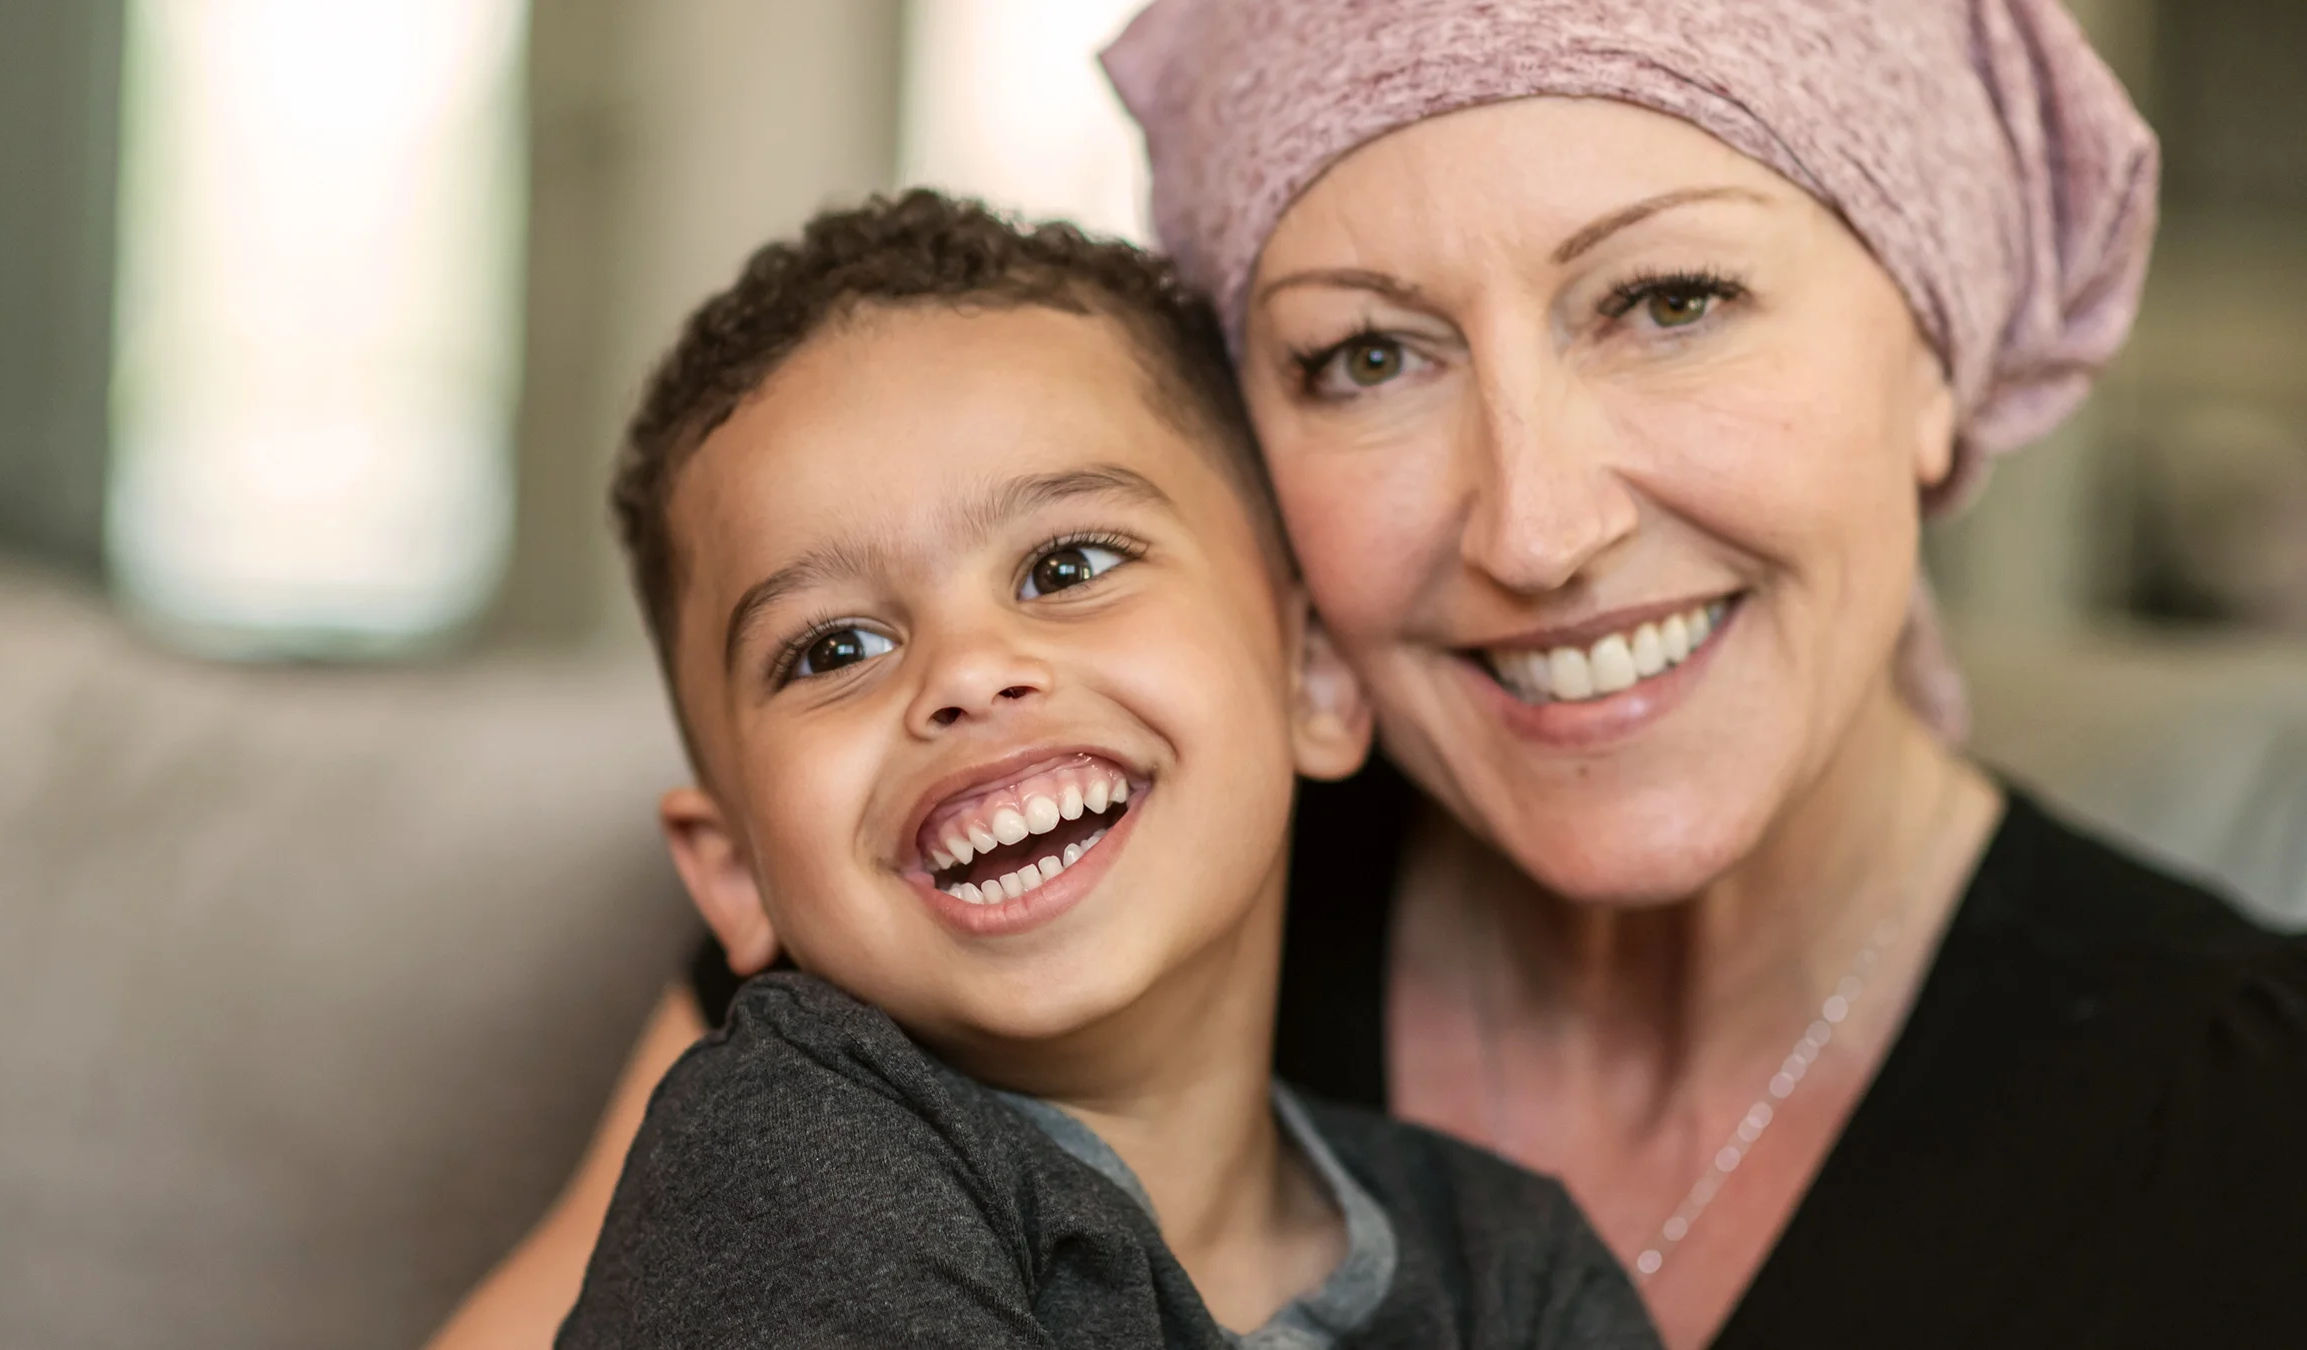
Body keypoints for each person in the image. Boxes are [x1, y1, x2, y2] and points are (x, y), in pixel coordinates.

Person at [427, 3, 2307, 1348]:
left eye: (1669, 302)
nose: (1539, 523)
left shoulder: (2240, 1145)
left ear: (1934, 354)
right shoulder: (980, 944)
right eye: (1364, 359)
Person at [550, 191, 1660, 1348]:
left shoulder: (1515, 1267)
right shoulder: (778, 1165)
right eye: (835, 649)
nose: (971, 671)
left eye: (1067, 565)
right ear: (732, 875)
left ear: (1315, 680)